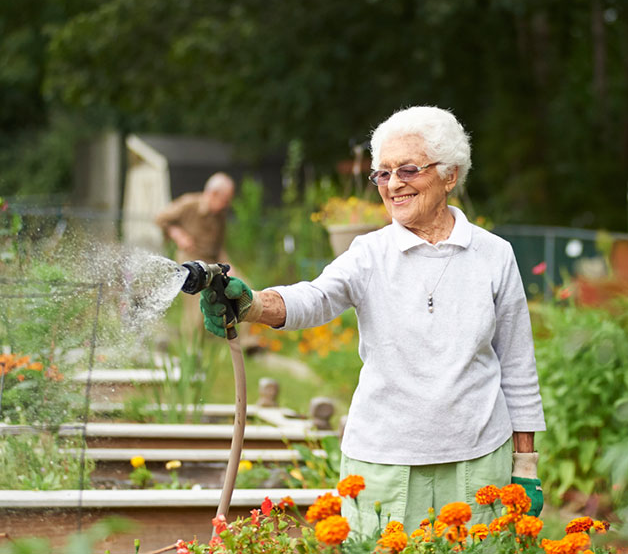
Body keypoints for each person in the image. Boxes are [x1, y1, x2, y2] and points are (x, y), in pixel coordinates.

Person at [200, 106, 546, 531]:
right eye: (383, 173)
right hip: (386, 464)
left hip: (478, 463)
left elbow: (517, 363)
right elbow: (316, 297)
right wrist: (252, 305)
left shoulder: (494, 255)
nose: (394, 184)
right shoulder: (369, 253)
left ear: (450, 174)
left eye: (409, 169)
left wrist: (524, 464)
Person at [156, 172, 235, 335]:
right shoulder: (189, 204)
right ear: (213, 194)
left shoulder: (220, 215)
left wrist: (228, 266)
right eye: (225, 200)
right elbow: (160, 217)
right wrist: (177, 233)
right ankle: (191, 350)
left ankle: (247, 343)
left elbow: (219, 246)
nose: (227, 204)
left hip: (212, 260)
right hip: (190, 257)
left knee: (242, 287)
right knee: (197, 301)